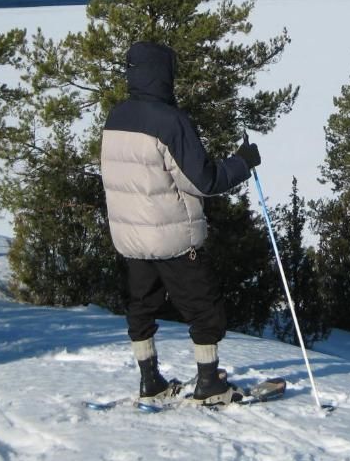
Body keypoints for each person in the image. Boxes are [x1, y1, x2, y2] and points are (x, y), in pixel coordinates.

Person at [100, 41, 261, 405]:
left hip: (130, 237)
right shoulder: (171, 122)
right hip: (172, 236)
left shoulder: (116, 117)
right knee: (205, 309)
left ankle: (150, 380)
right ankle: (209, 384)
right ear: (163, 74)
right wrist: (242, 162)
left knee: (141, 307)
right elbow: (203, 181)